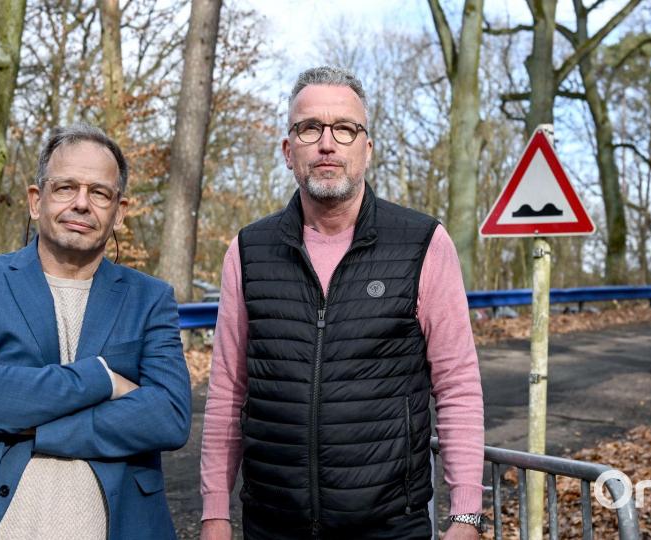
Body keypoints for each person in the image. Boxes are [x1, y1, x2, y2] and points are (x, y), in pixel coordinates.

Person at [200, 66, 486, 539]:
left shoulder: (422, 244)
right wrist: (214, 513)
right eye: (310, 128)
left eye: (345, 129)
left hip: (390, 525)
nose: (327, 143)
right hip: (272, 524)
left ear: (366, 148)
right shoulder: (248, 251)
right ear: (289, 151)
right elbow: (228, 390)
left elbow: (457, 386)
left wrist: (466, 515)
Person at [0, 124, 191, 540]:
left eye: (100, 193)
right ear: (37, 201)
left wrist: (37, 427)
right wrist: (102, 379)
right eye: (66, 187)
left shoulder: (150, 298)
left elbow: (169, 417)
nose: (82, 204)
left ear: (119, 212)